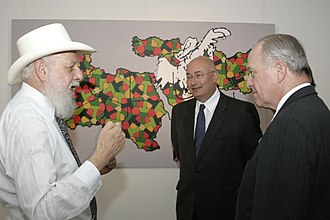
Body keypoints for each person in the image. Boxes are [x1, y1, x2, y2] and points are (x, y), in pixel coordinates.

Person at [0, 23, 125, 219]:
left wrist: (95, 168)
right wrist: (99, 157)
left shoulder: (42, 112)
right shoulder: (29, 121)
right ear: (42, 70)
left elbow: (54, 182)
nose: (80, 75)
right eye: (70, 67)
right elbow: (41, 210)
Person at [235, 34, 330, 219]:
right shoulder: (315, 109)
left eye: (253, 72)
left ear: (279, 70)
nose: (248, 82)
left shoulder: (290, 124)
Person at [171, 56, 262, 220]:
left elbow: (254, 163)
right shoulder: (179, 112)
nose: (193, 82)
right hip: (188, 208)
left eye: (198, 75)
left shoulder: (242, 113)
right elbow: (182, 156)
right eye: (189, 76)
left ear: (214, 76)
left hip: (227, 208)